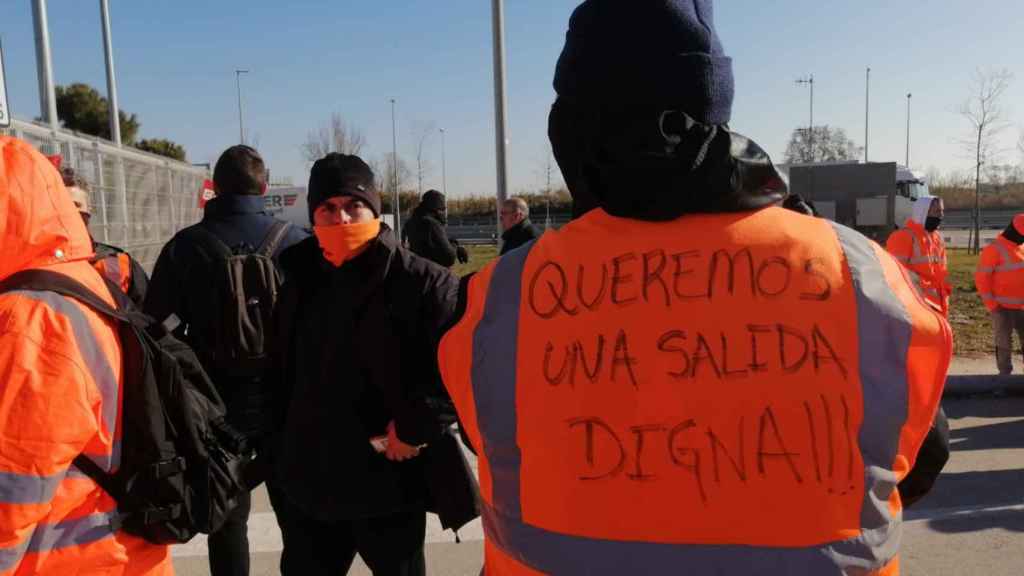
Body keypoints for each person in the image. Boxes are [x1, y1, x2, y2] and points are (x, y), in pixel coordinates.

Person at [437, 2, 952, 574]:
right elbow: (923, 455)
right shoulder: (859, 274)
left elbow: (493, 446)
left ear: (573, 130)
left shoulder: (500, 299)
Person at [263, 153, 471, 575]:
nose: (340, 218)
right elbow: (281, 371)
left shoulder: (425, 282)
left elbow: (456, 371)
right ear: (314, 215)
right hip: (310, 485)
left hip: (389, 485)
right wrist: (277, 450)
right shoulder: (295, 278)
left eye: (352, 205)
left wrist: (414, 428)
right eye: (327, 208)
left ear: (374, 209)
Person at [0, 136, 172, 574]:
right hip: (118, 551)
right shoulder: (81, 280)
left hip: (75, 561)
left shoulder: (30, 316)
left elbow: (13, 482)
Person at [144, 145, 306, 576]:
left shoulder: (184, 248)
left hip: (214, 404)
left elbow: (154, 328)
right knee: (298, 520)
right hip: (285, 400)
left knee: (227, 518)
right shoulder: (295, 245)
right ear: (265, 188)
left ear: (213, 187)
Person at [61, 166, 151, 308]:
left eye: (76, 205)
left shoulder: (117, 263)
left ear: (89, 210)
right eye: (63, 205)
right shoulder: (37, 264)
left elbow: (148, 317)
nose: (70, 212)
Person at [976, 214, 1024, 375]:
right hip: (1002, 308)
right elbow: (982, 279)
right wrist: (993, 306)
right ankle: (1004, 378)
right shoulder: (994, 249)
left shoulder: (1020, 248)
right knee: (1004, 344)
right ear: (1016, 232)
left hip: (1021, 306)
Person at [887, 196, 950, 314]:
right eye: (937, 211)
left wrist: (945, 292)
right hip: (915, 305)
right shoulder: (903, 237)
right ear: (923, 212)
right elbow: (895, 273)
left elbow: (942, 272)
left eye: (942, 211)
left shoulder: (937, 239)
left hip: (938, 304)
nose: (941, 215)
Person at [403, 189, 468, 267]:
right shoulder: (431, 224)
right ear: (436, 208)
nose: (443, 213)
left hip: (415, 270)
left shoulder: (411, 222)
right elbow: (449, 257)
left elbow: (433, 244)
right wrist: (455, 247)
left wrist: (454, 246)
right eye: (442, 209)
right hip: (431, 274)